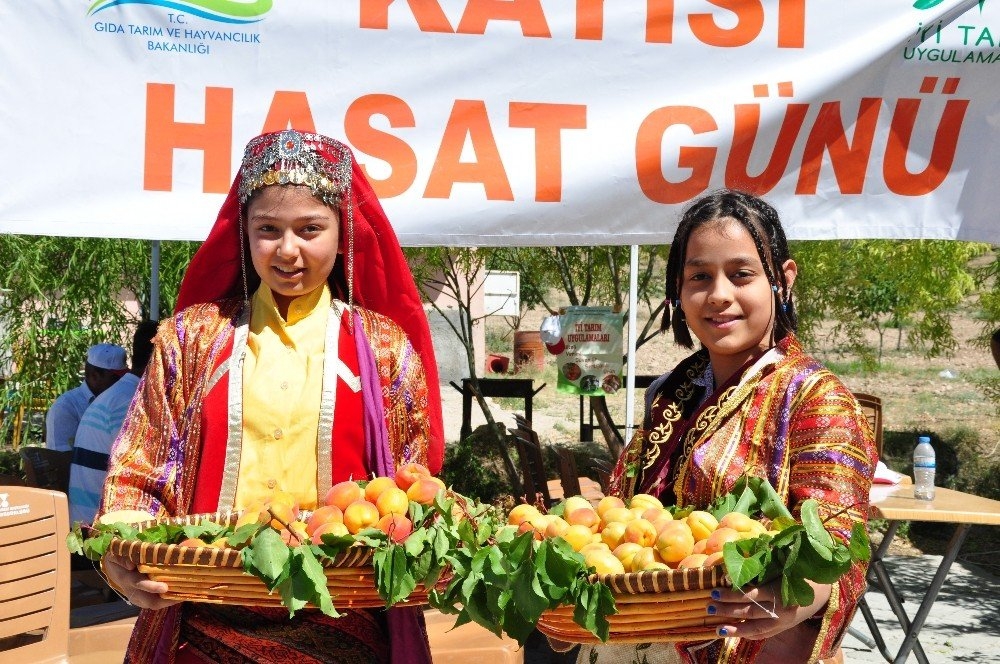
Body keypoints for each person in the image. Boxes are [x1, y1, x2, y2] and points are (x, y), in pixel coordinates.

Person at [98, 129, 445, 663]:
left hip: (344, 621)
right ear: (244, 232)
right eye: (268, 229)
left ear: (343, 230)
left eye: (310, 229)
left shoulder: (382, 349)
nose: (288, 251)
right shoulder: (191, 340)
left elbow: (410, 487)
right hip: (202, 617)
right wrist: (120, 554)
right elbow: (138, 472)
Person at [578, 190, 876, 664]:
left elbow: (838, 543)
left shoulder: (815, 399)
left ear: (783, 279)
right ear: (679, 289)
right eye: (700, 276)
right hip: (638, 642)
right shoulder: (672, 392)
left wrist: (793, 602)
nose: (718, 294)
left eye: (741, 274)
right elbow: (624, 516)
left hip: (760, 648)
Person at [68, 320, 158, 525]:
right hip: (96, 529)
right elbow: (138, 472)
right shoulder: (129, 401)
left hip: (88, 520)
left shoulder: (121, 395)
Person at [45, 343, 127, 451]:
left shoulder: (119, 402)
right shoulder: (65, 407)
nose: (122, 381)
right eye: (116, 378)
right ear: (94, 376)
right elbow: (61, 458)